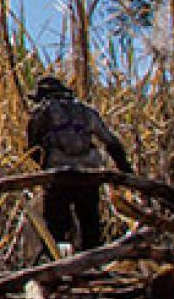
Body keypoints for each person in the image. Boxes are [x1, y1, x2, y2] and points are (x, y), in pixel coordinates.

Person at [25, 75, 132, 251]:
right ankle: (93, 264)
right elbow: (111, 142)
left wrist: (42, 168)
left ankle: (57, 267)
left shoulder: (41, 113)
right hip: (88, 174)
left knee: (56, 228)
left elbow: (33, 148)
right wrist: (125, 170)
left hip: (59, 176)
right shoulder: (86, 111)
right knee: (90, 224)